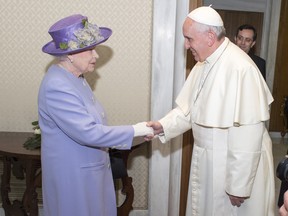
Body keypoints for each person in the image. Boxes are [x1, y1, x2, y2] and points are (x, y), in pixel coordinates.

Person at [146, 6, 275, 216]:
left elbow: (248, 134)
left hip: (228, 168)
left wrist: (238, 186)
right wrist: (164, 125)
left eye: (189, 39)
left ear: (209, 36)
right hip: (207, 160)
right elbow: (191, 108)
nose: (186, 45)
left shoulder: (241, 68)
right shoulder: (204, 62)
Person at [39, 14, 153, 216]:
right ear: (71, 54)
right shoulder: (57, 86)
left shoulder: (75, 78)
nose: (96, 56)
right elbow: (88, 133)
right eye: (90, 49)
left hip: (89, 173)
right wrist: (137, 130)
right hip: (74, 179)